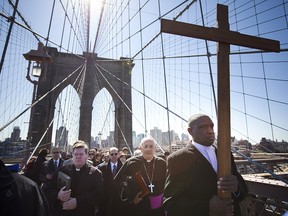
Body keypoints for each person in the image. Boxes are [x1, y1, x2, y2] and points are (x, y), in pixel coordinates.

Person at [163, 114, 247, 216]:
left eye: (211, 126)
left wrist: (237, 187)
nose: (210, 130)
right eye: (202, 127)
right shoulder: (177, 159)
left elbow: (244, 191)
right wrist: (207, 208)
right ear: (190, 131)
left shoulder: (225, 153)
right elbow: (171, 203)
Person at [46, 140, 103, 216]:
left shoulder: (95, 173)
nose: (78, 157)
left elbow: (98, 195)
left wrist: (77, 202)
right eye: (76, 154)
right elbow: (47, 190)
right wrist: (58, 195)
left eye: (81, 154)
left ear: (86, 155)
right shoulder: (61, 171)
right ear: (72, 155)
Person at [114, 137, 167, 216]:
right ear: (141, 148)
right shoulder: (131, 162)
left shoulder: (161, 163)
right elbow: (119, 182)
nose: (148, 149)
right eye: (145, 146)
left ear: (155, 148)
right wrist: (131, 198)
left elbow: (169, 182)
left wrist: (165, 197)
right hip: (138, 205)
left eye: (151, 146)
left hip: (158, 205)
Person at [98, 147, 123, 216]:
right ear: (109, 155)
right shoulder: (102, 168)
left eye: (116, 154)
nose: (114, 156)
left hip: (119, 198)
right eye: (112, 154)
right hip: (107, 198)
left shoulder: (124, 167)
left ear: (118, 154)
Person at [40, 147, 64, 214]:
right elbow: (41, 176)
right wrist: (46, 177)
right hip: (49, 192)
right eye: (54, 152)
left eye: (57, 152)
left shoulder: (64, 163)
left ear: (59, 153)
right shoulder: (45, 164)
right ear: (52, 154)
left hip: (59, 191)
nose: (56, 154)